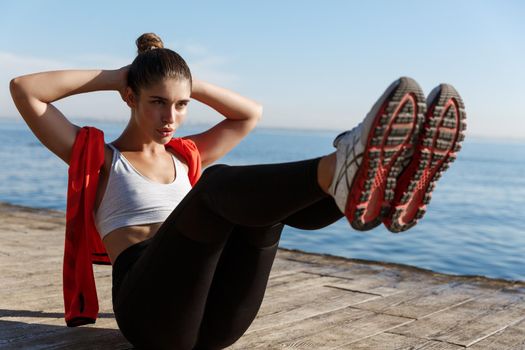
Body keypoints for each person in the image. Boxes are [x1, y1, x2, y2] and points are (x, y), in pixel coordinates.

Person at [9, 33, 466, 349]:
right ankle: (340, 170)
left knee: (256, 208)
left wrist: (181, 79)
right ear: (130, 98)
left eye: (182, 105)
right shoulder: (98, 157)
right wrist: (121, 74)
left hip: (217, 321)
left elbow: (250, 113)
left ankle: (370, 184)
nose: (171, 117)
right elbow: (25, 89)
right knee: (219, 184)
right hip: (150, 316)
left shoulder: (184, 156)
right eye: (157, 102)